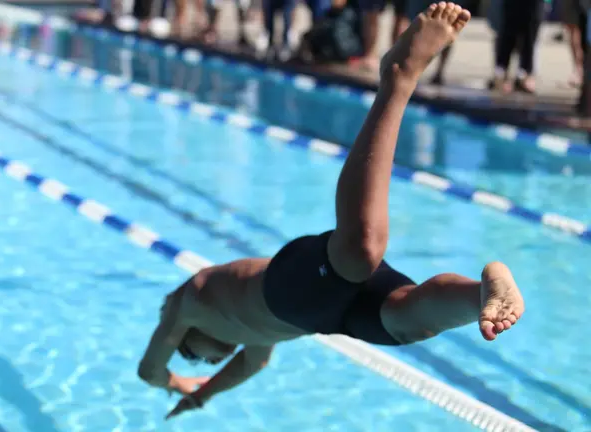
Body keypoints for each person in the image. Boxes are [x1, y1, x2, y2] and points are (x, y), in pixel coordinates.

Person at [138, 2, 524, 419]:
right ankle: (480, 294)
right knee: (408, 319)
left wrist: (175, 381)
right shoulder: (252, 335)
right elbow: (251, 364)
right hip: (323, 315)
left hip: (290, 288)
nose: (209, 360)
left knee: (361, 250)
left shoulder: (186, 303)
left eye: (195, 355)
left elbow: (149, 371)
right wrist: (201, 396)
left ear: (188, 335)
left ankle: (398, 78)